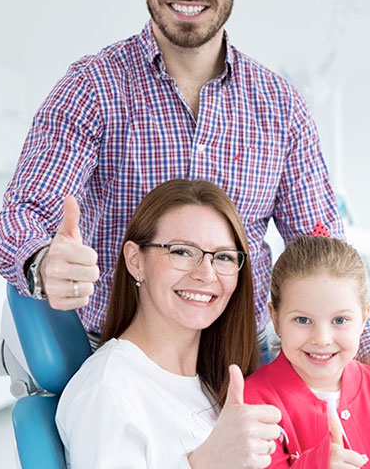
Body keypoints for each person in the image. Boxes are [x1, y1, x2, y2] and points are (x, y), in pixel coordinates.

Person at [0, 0, 370, 428]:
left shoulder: (279, 106)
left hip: (240, 361)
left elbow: (321, 248)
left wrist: (364, 348)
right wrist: (43, 262)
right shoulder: (92, 88)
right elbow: (21, 218)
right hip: (125, 359)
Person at [56, 179, 282, 468]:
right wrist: (204, 463)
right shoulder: (109, 390)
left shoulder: (214, 382)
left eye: (224, 257)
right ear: (135, 260)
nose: (206, 274)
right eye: (182, 251)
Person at [244, 236, 370, 468]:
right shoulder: (253, 401)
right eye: (302, 320)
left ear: (364, 320)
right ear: (275, 318)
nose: (322, 339)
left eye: (340, 320)